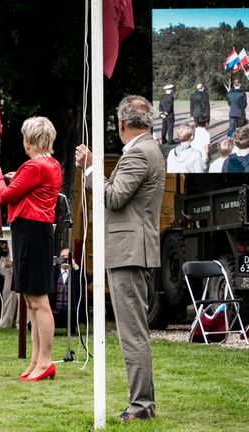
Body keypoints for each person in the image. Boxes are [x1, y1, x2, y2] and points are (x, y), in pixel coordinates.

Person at [75, 95, 165, 423]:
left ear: (122, 124)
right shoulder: (149, 150)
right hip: (132, 250)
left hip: (129, 252)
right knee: (133, 333)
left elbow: (113, 197)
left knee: (133, 335)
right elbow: (118, 192)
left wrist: (91, 168)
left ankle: (141, 409)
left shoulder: (140, 152)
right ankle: (141, 405)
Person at [0, 116, 62, 382]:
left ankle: (44, 362)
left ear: (29, 140)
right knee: (31, 301)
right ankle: (36, 360)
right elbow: (30, 188)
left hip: (32, 232)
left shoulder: (34, 166)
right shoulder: (48, 164)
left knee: (39, 302)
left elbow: (5, 196)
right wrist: (15, 177)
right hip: (31, 232)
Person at [51, 248, 88, 335]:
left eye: (68, 257)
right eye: (62, 257)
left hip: (71, 312)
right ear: (59, 259)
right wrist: (51, 265)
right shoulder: (54, 273)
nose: (65, 260)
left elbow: (87, 280)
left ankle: (72, 328)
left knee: (71, 314)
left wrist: (75, 266)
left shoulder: (75, 273)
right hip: (55, 311)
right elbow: (43, 280)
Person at [0, 241, 19, 329]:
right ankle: (5, 321)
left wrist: (14, 264)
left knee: (22, 297)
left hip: (20, 271)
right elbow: (0, 268)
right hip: (9, 272)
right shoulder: (6, 252)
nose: (2, 245)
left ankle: (23, 323)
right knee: (7, 294)